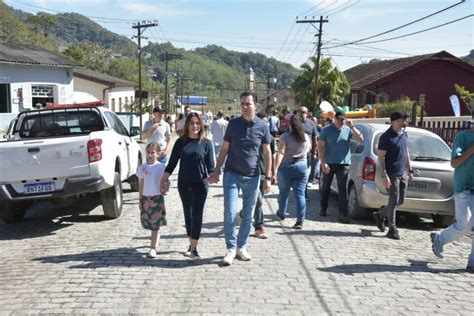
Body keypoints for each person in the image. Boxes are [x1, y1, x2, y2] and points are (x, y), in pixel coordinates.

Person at [208, 91, 272, 266]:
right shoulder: (233, 125)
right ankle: (230, 248)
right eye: (242, 103)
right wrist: (216, 170)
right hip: (232, 174)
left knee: (248, 215)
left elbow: (267, 152)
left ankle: (241, 247)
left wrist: (268, 176)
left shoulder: (263, 126)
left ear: (255, 106)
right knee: (229, 212)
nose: (244, 106)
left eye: (247, 104)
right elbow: (225, 148)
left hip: (253, 176)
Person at [160, 113, 215, 259]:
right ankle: (191, 244)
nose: (195, 126)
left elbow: (211, 166)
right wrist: (163, 180)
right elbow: (171, 164)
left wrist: (211, 176)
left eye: (197, 123)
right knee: (188, 214)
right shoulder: (180, 142)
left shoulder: (206, 143)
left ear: (201, 125)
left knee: (197, 214)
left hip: (200, 185)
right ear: (187, 125)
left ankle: (194, 248)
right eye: (192, 123)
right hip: (184, 184)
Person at [430, 115, 474, 272]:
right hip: (464, 187)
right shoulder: (462, 137)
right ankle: (439, 239)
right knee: (465, 225)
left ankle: (472, 262)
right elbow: (454, 163)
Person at [372, 111, 413, 240]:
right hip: (391, 174)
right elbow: (381, 157)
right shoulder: (386, 137)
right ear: (396, 121)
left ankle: (380, 215)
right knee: (394, 200)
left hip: (403, 173)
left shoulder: (404, 135)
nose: (406, 121)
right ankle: (392, 229)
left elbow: (406, 153)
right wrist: (384, 175)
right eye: (403, 119)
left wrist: (410, 171)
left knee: (400, 201)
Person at [317, 111, 363, 223]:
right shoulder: (326, 130)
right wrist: (323, 163)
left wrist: (352, 126)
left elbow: (360, 138)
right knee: (326, 187)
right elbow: (320, 147)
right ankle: (323, 208)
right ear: (334, 119)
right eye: (339, 119)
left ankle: (343, 213)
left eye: (342, 119)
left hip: (343, 164)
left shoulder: (347, 130)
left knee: (342, 189)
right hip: (329, 162)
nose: (340, 121)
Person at [274, 115, 311, 229]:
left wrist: (275, 168)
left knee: (283, 192)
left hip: (286, 167)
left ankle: (281, 213)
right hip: (302, 167)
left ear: (289, 125)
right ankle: (300, 220)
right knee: (300, 195)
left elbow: (281, 152)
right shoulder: (305, 136)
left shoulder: (285, 136)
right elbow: (309, 149)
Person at [136, 142, 167, 258]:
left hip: (157, 198)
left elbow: (166, 180)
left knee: (155, 225)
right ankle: (156, 236)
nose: (150, 155)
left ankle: (153, 248)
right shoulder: (142, 167)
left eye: (153, 153)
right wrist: (140, 199)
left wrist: (166, 187)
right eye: (148, 153)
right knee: (148, 223)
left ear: (158, 154)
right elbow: (141, 183)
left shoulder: (161, 167)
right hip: (146, 198)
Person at [298, 106, 319, 197]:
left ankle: (304, 192)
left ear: (307, 113)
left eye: (304, 112)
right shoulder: (295, 123)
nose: (302, 114)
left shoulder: (311, 124)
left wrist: (314, 152)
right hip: (295, 153)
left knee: (304, 174)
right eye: (300, 112)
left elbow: (315, 138)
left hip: (307, 154)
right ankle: (298, 191)